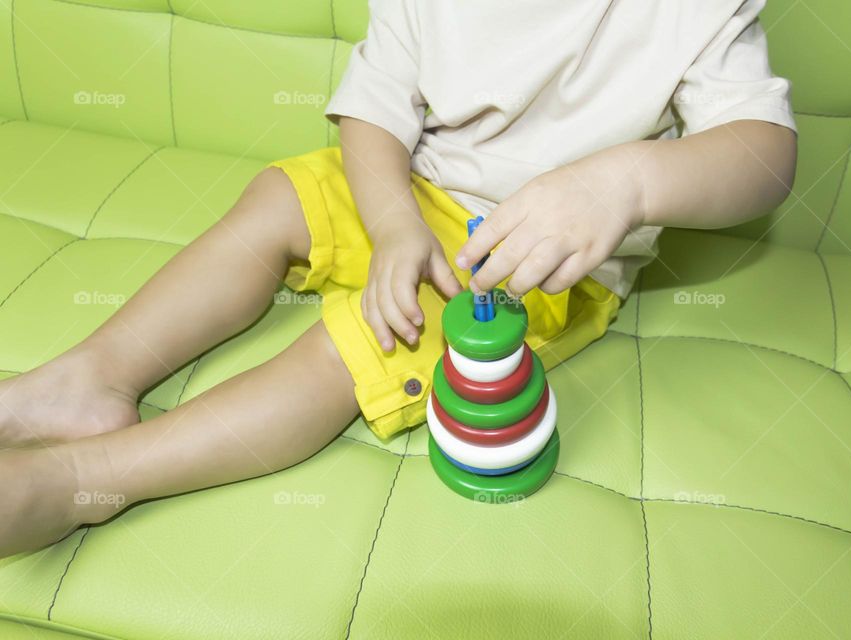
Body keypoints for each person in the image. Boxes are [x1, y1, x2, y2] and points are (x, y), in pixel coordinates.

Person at [0, 0, 797, 556]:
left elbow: (764, 153)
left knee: (354, 347)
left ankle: (86, 479)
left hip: (533, 255)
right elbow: (376, 106)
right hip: (408, 191)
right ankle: (86, 380)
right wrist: (391, 225)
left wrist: (626, 184)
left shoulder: (693, 9)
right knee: (278, 198)